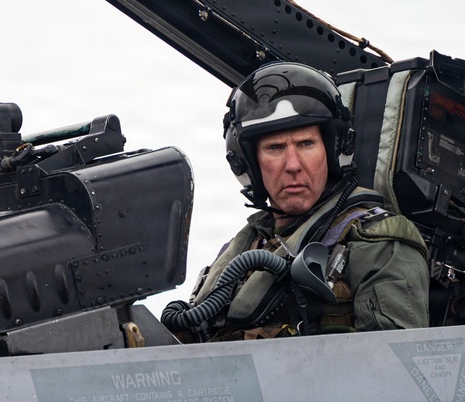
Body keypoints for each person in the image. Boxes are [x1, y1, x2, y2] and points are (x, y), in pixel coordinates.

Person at [166, 61, 429, 341]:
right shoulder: (246, 247)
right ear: (249, 165)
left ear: (333, 151)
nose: (293, 165)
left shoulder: (377, 245)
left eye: (306, 144)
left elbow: (398, 363)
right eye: (275, 148)